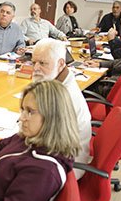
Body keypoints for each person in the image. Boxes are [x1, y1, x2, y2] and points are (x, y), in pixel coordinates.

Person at [30, 38, 92, 179]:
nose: (35, 68)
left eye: (43, 63)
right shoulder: (58, 80)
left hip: (64, 166)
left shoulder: (63, 97)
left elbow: (37, 139)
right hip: (54, 152)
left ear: (61, 63)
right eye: (34, 62)